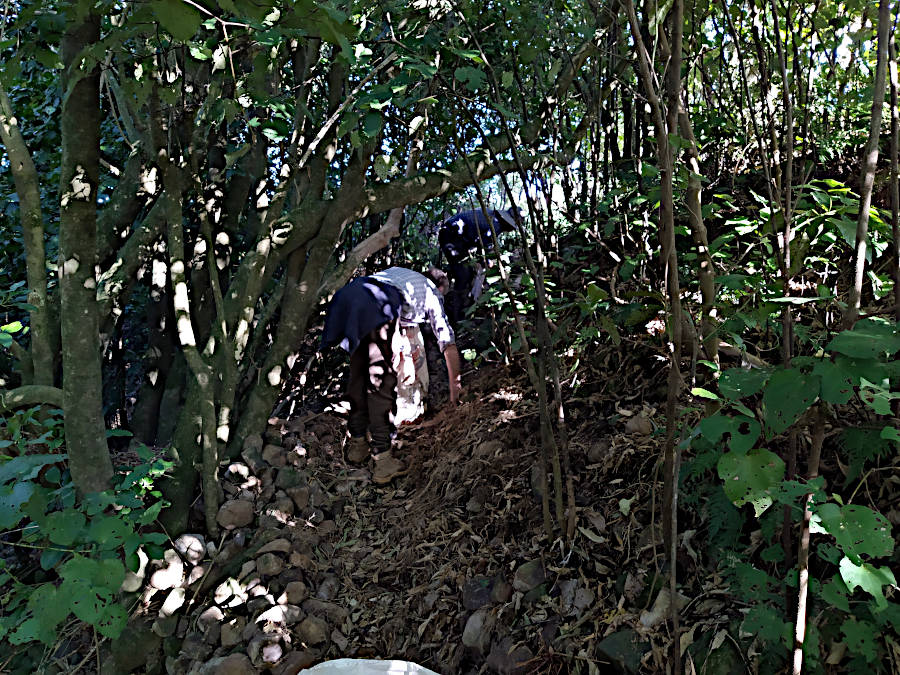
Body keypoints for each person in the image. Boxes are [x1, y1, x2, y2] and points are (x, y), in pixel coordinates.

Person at [320, 266, 461, 484]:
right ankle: (383, 459)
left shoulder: (401, 277)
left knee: (358, 372)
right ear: (440, 287)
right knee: (381, 381)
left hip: (348, 296)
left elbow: (401, 330)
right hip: (375, 305)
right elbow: (448, 344)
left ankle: (357, 443)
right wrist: (456, 387)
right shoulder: (432, 293)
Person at [437, 207, 518, 321]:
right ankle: (456, 316)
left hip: (457, 239)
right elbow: (485, 248)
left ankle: (459, 307)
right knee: (463, 276)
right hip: (451, 237)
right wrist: (487, 262)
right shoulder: (495, 224)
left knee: (468, 272)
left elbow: (482, 246)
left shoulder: (492, 218)